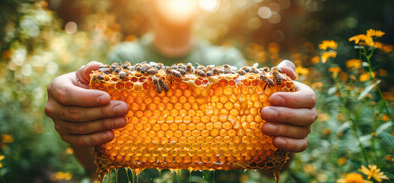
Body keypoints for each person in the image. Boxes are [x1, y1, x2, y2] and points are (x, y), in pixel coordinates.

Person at [44, 0, 317, 173]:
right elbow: (96, 164)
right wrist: (77, 122)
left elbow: (266, 166)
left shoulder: (228, 64)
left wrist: (286, 128)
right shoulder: (121, 61)